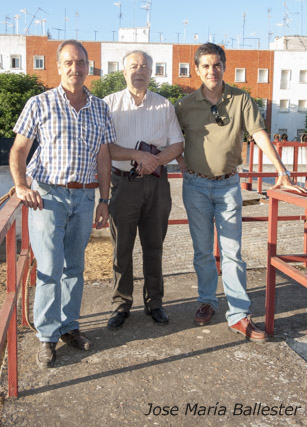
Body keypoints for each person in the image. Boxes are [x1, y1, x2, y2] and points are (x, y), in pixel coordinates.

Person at [175, 43, 307, 342]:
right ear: (197, 69)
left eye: (216, 64)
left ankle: (238, 314)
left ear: (224, 66)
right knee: (202, 251)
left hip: (228, 185)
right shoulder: (184, 105)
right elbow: (171, 138)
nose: (211, 70)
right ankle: (207, 300)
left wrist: (282, 173)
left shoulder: (241, 99)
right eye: (205, 66)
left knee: (233, 252)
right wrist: (183, 165)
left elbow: (258, 134)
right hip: (195, 186)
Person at [9, 40, 115, 368]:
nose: (75, 68)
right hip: (48, 197)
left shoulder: (100, 108)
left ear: (88, 67)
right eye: (69, 62)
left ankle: (69, 327)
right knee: (50, 268)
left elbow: (103, 157)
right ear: (59, 67)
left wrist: (104, 200)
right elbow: (18, 151)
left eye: (81, 62)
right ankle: (47, 335)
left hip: (84, 197)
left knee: (75, 268)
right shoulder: (39, 103)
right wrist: (21, 185)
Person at [104, 50, 184, 328]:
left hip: (156, 186)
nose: (139, 71)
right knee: (121, 248)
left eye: (145, 67)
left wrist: (155, 161)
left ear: (152, 72)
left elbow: (177, 144)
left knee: (154, 247)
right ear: (123, 71)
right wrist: (137, 156)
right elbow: (107, 147)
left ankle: (155, 303)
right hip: (122, 184)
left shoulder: (164, 106)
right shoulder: (109, 104)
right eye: (133, 66)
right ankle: (120, 304)